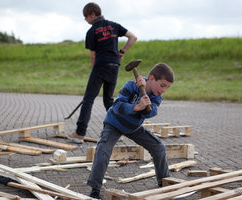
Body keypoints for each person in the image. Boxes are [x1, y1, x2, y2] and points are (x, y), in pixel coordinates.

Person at [87, 63, 175, 199]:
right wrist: (137, 106)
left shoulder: (156, 97)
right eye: (162, 85)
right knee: (103, 150)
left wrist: (146, 106)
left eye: (167, 87)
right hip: (114, 124)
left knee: (159, 148)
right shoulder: (131, 85)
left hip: (133, 128)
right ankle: (95, 190)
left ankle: (164, 183)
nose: (164, 90)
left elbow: (151, 113)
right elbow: (117, 106)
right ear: (151, 78)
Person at [68, 2, 137, 144]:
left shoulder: (92, 31)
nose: (85, 20)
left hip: (100, 66)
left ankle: (79, 133)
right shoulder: (114, 25)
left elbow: (93, 56)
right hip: (114, 66)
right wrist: (121, 51)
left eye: (86, 17)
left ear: (92, 15)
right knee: (109, 100)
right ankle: (119, 132)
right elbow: (133, 38)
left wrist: (94, 72)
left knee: (88, 100)